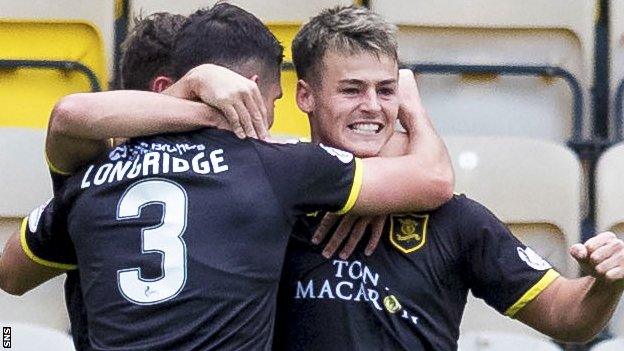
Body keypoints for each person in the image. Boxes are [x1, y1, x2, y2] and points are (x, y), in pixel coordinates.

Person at [0, 3, 453, 350]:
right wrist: (405, 102)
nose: (270, 119)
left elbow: (10, 275)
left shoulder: (90, 176)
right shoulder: (275, 166)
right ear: (249, 91)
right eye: (271, 101)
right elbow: (432, 177)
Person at [272, 6, 624, 350]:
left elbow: (567, 316)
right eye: (351, 90)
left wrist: (605, 282)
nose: (372, 106)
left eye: (386, 90)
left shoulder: (454, 218)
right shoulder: (270, 201)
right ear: (305, 96)